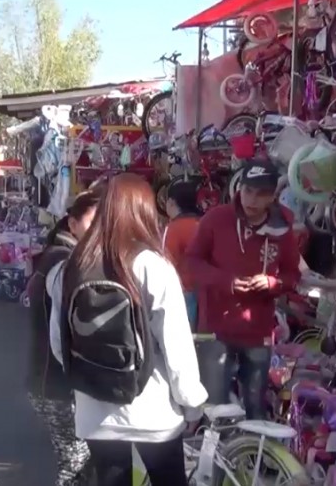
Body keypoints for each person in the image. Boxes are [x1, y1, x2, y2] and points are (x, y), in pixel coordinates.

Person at [47, 173, 207, 486]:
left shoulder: (70, 266)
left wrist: (85, 380)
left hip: (96, 410)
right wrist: (192, 403)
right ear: (144, 211)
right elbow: (176, 345)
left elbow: (58, 341)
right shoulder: (151, 265)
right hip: (153, 409)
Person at [185, 160, 301, 420]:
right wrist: (225, 281)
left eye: (261, 194)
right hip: (215, 329)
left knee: (255, 407)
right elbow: (193, 261)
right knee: (214, 407)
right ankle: (215, 458)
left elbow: (293, 275)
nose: (252, 199)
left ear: (272, 196)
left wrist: (272, 283)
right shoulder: (217, 218)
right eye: (248, 190)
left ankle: (252, 459)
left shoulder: (282, 229)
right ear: (239, 189)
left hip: (258, 331)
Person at [26, 187, 104, 486]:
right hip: (56, 382)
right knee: (76, 464)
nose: (100, 231)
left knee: (78, 461)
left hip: (50, 380)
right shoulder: (64, 263)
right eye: (93, 222)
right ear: (72, 223)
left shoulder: (61, 256)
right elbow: (62, 333)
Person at [162, 181, 202, 330]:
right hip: (206, 290)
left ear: (172, 202)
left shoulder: (173, 228)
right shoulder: (205, 223)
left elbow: (166, 262)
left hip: (183, 291)